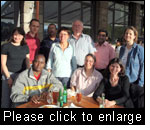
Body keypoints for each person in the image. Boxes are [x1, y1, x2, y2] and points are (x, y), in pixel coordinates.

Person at [1, 27, 30, 108]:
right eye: (15, 35)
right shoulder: (6, 46)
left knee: (18, 100)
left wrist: (28, 75)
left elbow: (27, 62)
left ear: (23, 36)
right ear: (12, 35)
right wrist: (8, 78)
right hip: (8, 75)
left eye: (20, 35)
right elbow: (3, 64)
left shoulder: (25, 47)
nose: (17, 37)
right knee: (6, 101)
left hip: (21, 76)